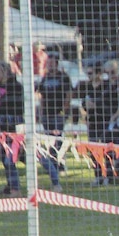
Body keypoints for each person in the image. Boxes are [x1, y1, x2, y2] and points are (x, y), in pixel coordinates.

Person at [0, 61, 25, 196]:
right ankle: (11, 185)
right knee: (5, 157)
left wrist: (2, 108)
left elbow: (18, 106)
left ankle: (15, 188)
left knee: (12, 156)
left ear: (5, 72)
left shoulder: (16, 86)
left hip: (11, 127)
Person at [36, 56, 73, 192]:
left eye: (52, 63)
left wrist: (64, 110)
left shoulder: (63, 77)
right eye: (48, 63)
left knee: (57, 139)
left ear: (56, 64)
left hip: (58, 113)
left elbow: (69, 94)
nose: (50, 65)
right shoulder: (45, 78)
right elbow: (41, 95)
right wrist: (41, 112)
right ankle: (53, 163)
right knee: (49, 139)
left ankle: (57, 162)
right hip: (47, 114)